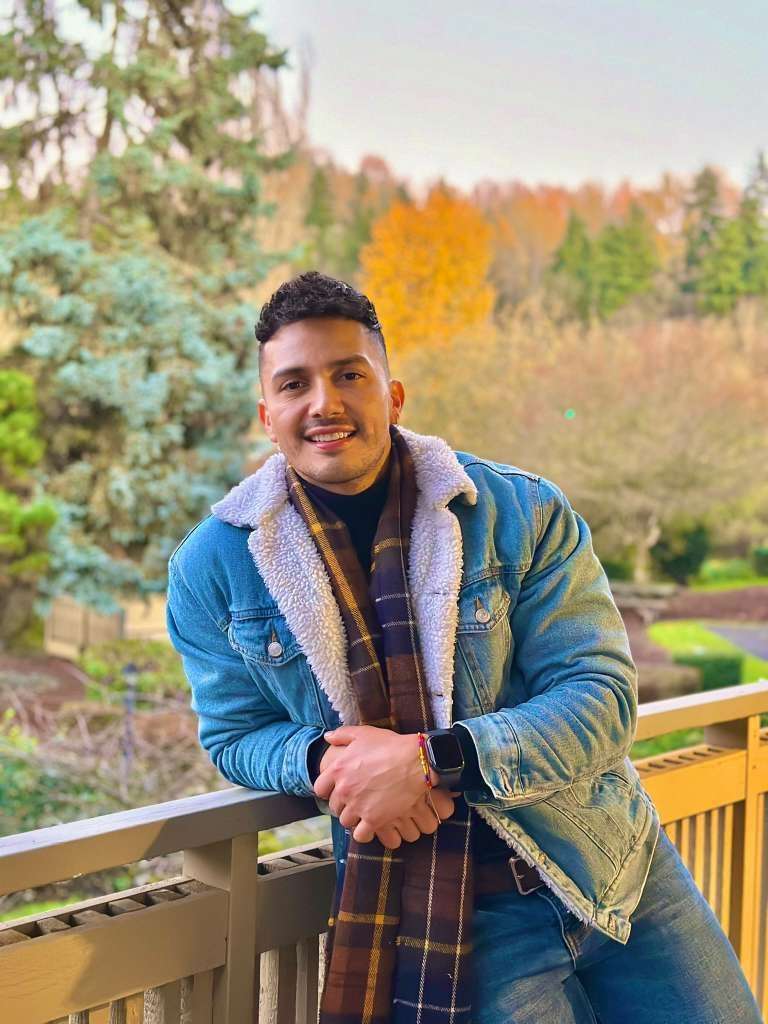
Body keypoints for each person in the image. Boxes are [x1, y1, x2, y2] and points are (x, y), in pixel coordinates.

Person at [166, 272, 761, 1024]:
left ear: (394, 394)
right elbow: (234, 733)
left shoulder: (519, 510)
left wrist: (427, 760)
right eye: (295, 383)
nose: (325, 402)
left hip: (613, 867)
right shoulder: (213, 566)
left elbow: (602, 694)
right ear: (267, 414)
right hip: (453, 926)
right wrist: (330, 762)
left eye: (350, 374)